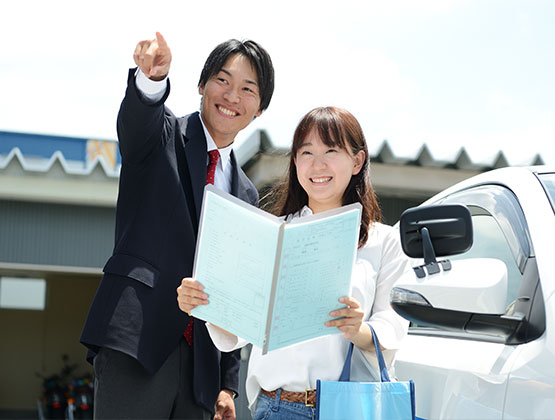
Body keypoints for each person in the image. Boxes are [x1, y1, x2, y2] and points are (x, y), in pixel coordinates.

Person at [80, 32, 275, 420]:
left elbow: (233, 291)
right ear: (201, 86)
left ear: (259, 109)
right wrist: (149, 81)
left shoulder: (248, 195)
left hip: (200, 374)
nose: (232, 95)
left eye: (247, 89)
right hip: (137, 342)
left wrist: (226, 382)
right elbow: (137, 124)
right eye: (222, 80)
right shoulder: (162, 136)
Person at [177, 106, 409, 419]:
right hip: (277, 407)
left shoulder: (383, 241)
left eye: (331, 150)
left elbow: (392, 326)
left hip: (350, 408)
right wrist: (204, 303)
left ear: (357, 161)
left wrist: (358, 330)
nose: (318, 164)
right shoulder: (273, 233)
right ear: (295, 161)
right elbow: (241, 327)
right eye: (306, 152)